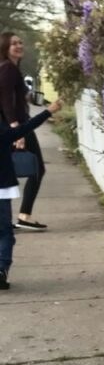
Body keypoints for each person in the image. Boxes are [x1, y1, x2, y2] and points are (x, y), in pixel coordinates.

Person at [0, 100, 62, 289]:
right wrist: (48, 111)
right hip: (2, 187)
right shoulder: (3, 132)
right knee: (4, 232)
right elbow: (26, 127)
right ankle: (1, 269)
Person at [0, 31, 48, 230]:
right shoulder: (8, 68)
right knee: (37, 168)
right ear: (5, 48)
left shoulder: (9, 68)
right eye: (14, 44)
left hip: (13, 126)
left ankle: (11, 218)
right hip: (18, 126)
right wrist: (15, 129)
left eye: (20, 42)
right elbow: (5, 100)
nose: (19, 46)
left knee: (8, 171)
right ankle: (24, 216)